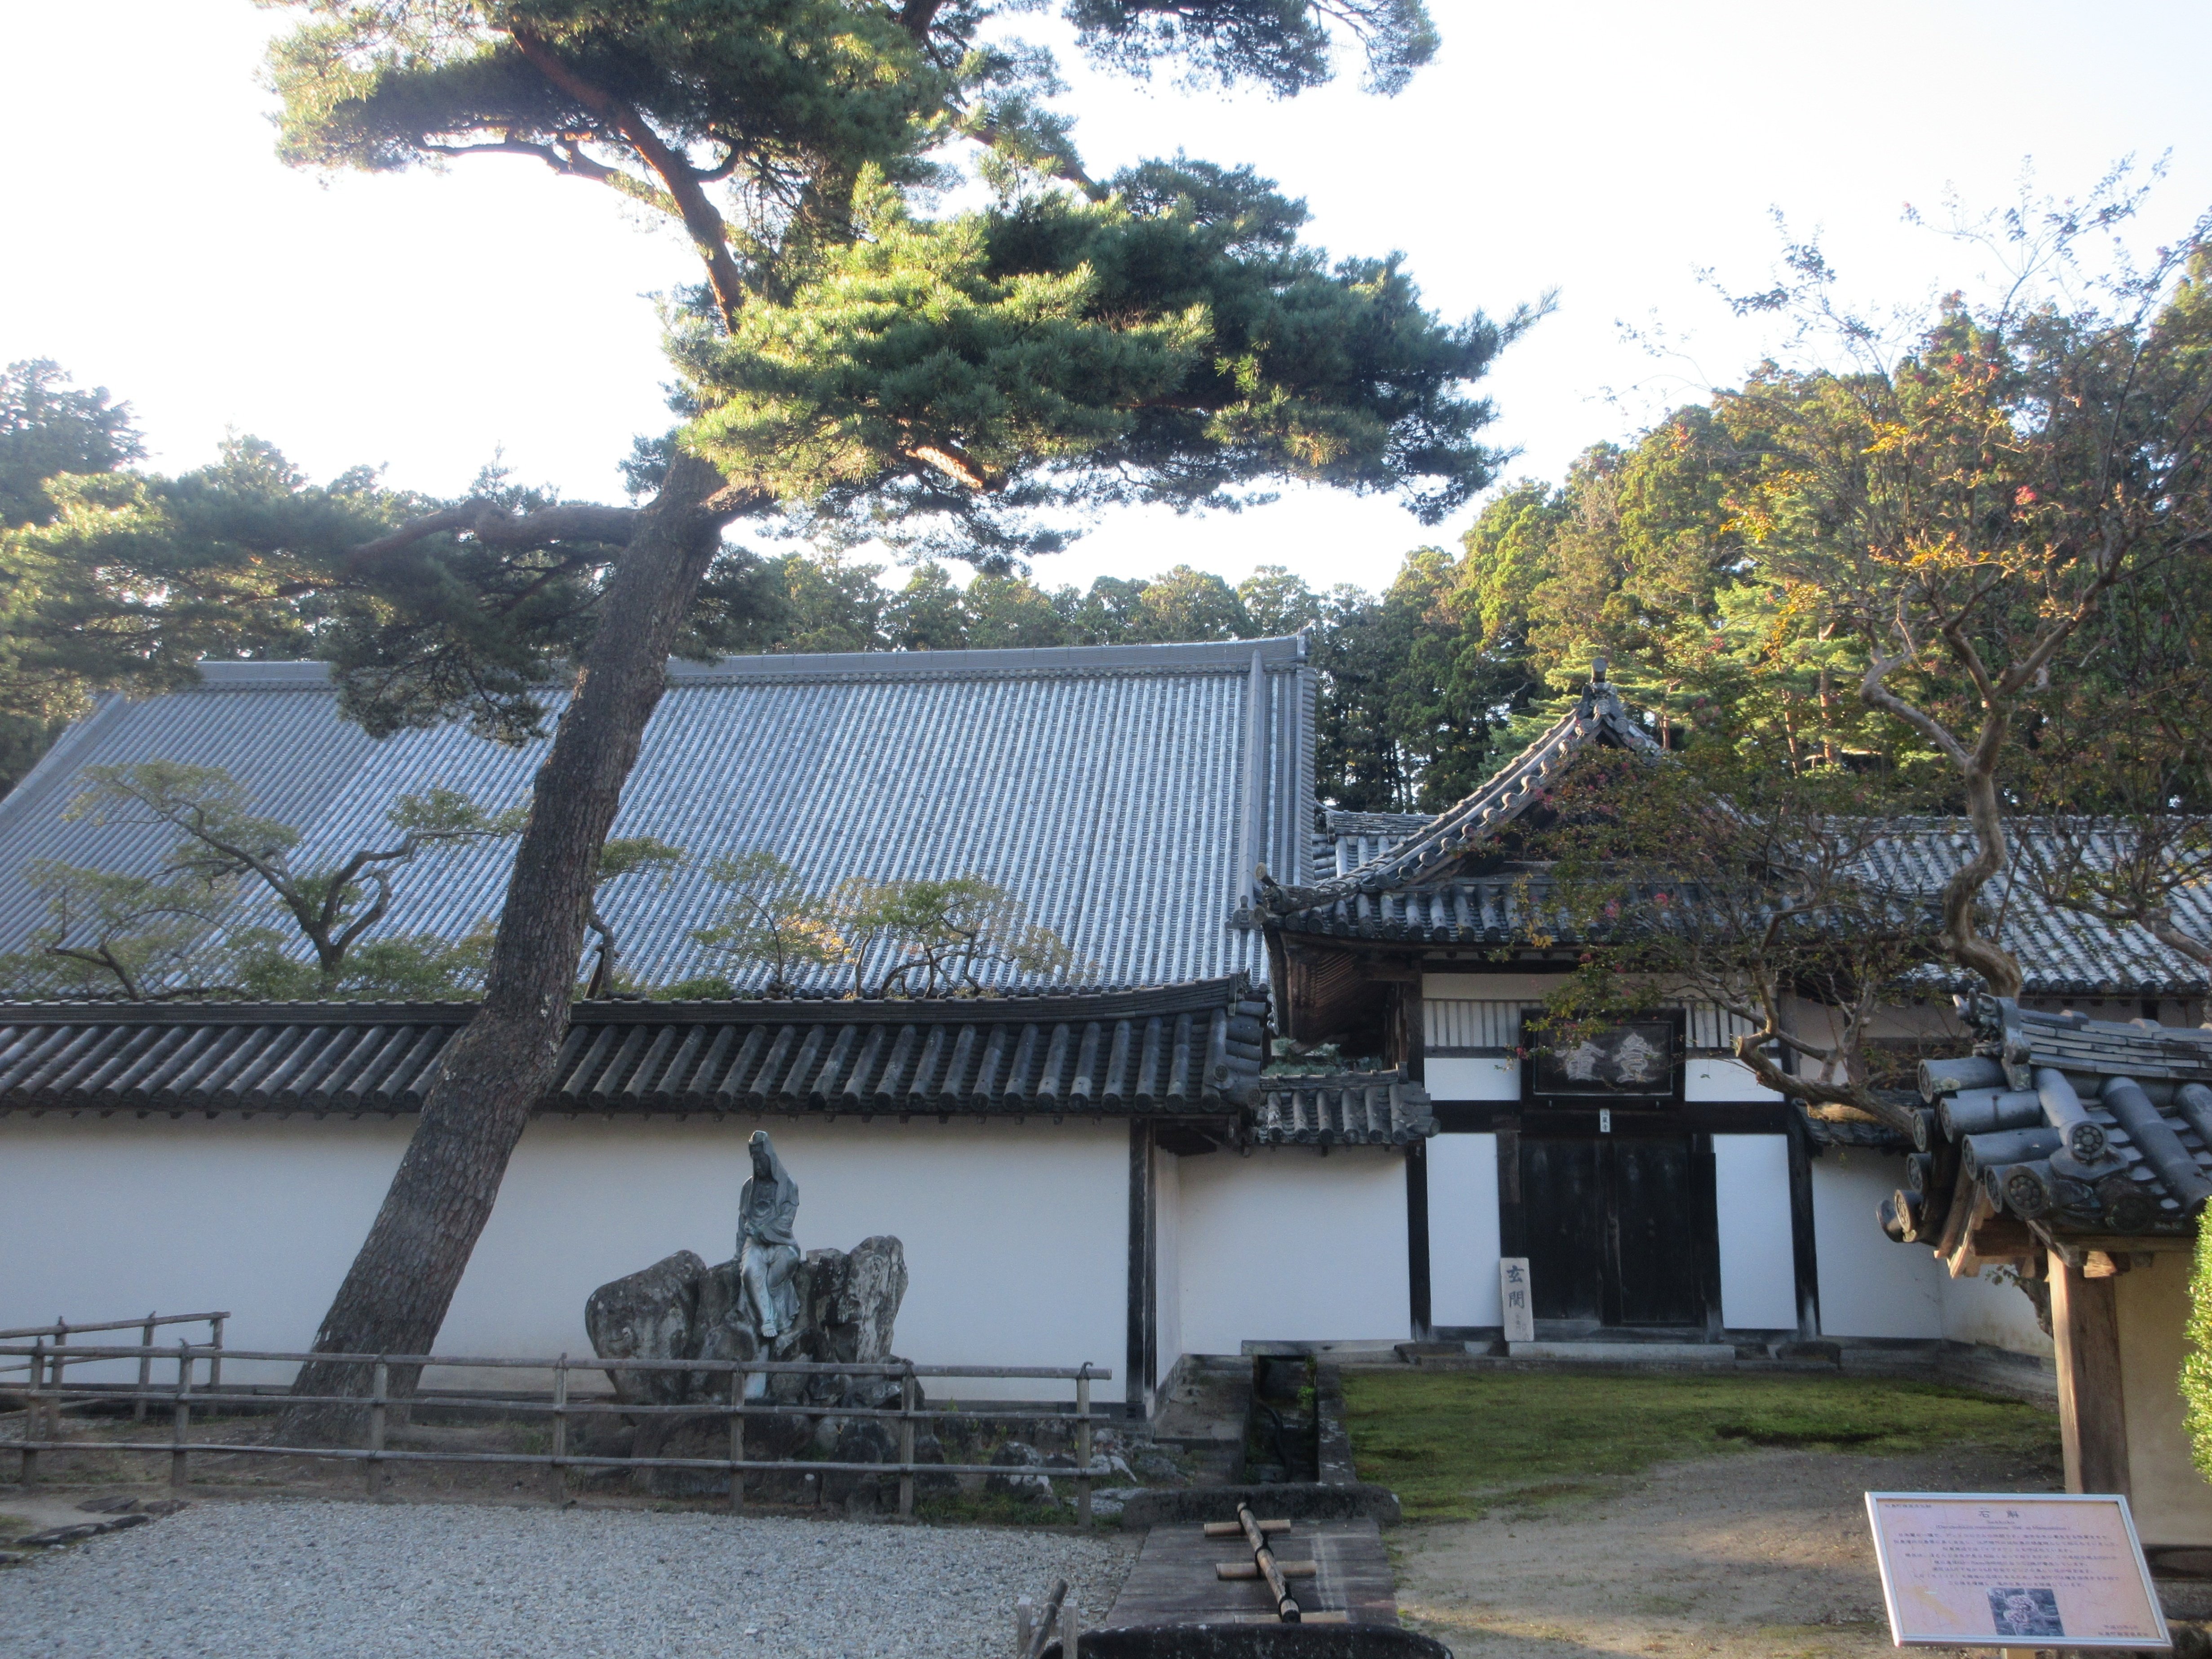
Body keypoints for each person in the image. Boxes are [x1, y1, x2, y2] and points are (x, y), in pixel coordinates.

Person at [737, 1130, 802, 1340]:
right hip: (754, 1243)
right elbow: (743, 1219)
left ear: (770, 1158)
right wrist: (740, 1251)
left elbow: (786, 1221)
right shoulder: (749, 1187)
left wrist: (764, 1231)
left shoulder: (788, 1186)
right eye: (754, 1160)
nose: (757, 1165)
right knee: (749, 1271)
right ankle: (767, 1318)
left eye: (761, 1159)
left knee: (790, 1259)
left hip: (780, 1242)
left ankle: (768, 1306)